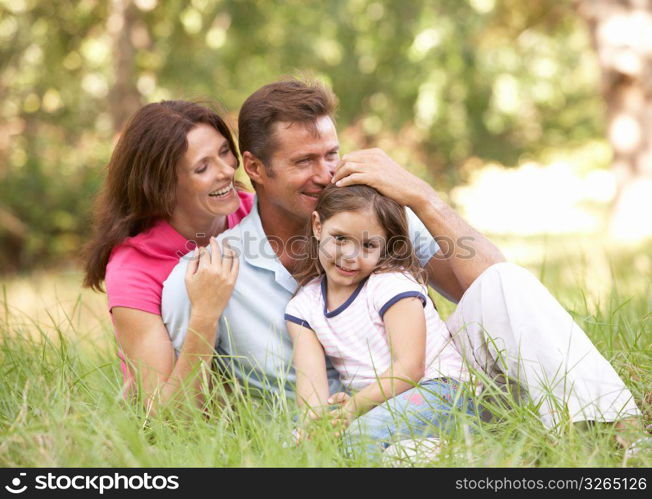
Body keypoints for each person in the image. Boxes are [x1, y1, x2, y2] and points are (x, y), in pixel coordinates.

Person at [162, 79, 642, 446]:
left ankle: (619, 438)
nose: (327, 175)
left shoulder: (375, 219)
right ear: (256, 168)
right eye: (304, 161)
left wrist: (422, 198)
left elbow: (488, 285)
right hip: (336, 443)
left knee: (504, 281)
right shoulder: (212, 273)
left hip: (442, 395)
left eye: (331, 154)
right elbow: (183, 419)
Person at [83, 100, 253, 411]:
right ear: (162, 185)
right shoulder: (132, 269)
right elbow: (163, 414)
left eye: (225, 151)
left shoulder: (253, 213)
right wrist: (204, 315)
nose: (228, 171)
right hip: (206, 422)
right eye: (203, 167)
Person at [285, 184, 476, 455]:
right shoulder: (303, 308)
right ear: (318, 227)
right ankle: (423, 451)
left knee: (358, 440)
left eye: (368, 245)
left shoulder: (390, 285)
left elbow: (410, 368)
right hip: (378, 403)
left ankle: (457, 452)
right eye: (339, 238)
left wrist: (352, 407)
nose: (350, 256)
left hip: (442, 390)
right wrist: (318, 424)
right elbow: (311, 394)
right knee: (298, 444)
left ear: (385, 246)